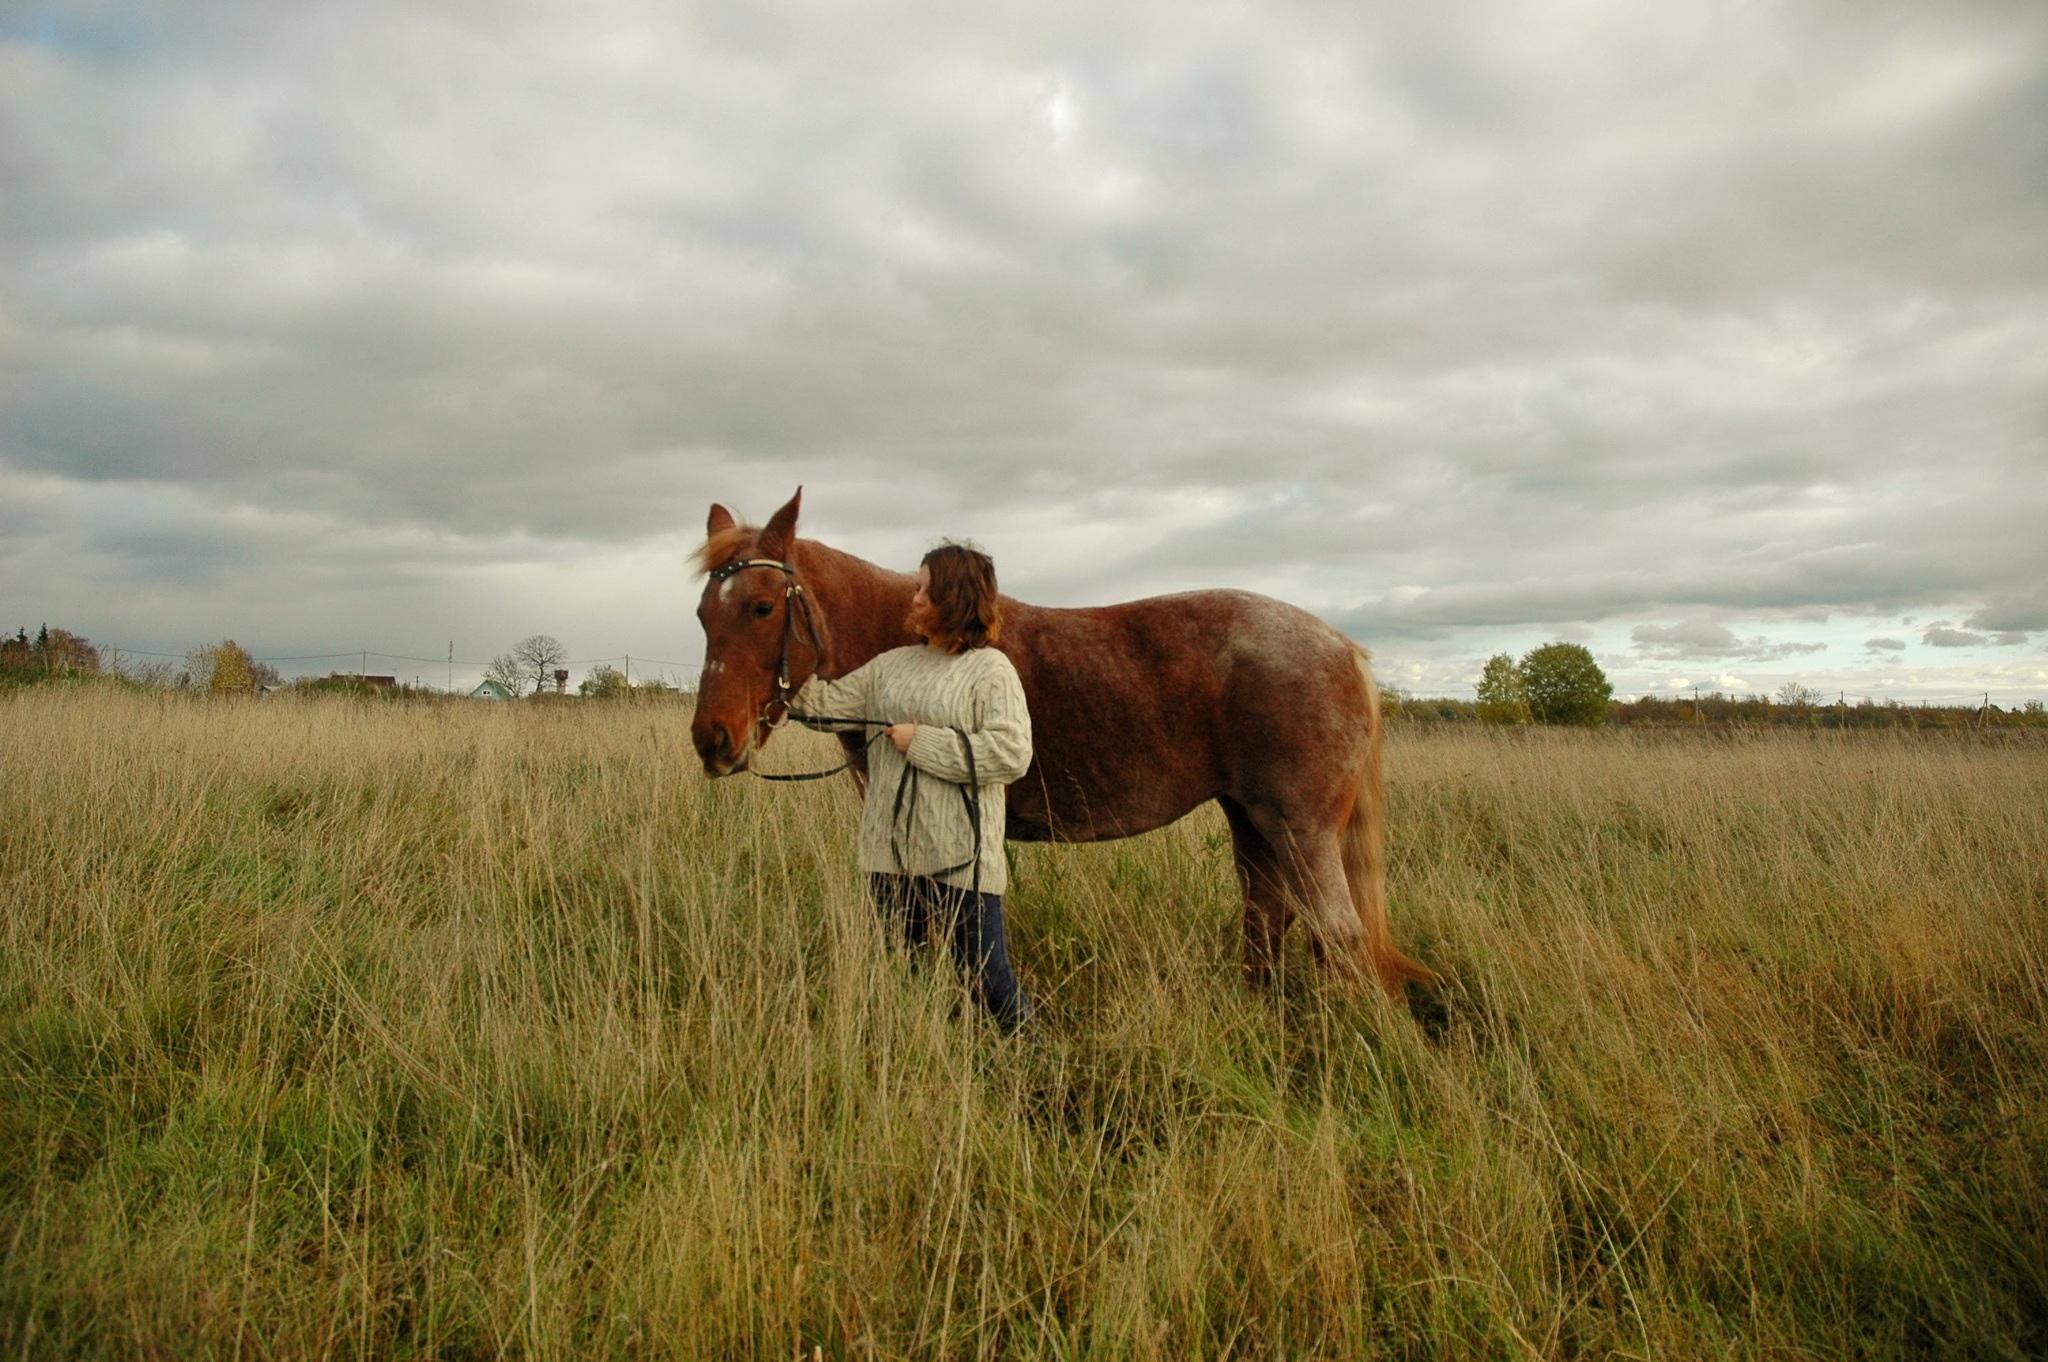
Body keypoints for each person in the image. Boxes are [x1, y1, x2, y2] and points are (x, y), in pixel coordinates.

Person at [791, 542, 1034, 1032]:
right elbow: (828, 706)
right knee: (906, 980)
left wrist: (921, 742)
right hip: (890, 860)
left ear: (956, 597)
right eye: (917, 586)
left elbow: (1012, 754)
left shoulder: (991, 671)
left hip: (962, 863)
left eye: (925, 588)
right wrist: (776, 676)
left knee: (989, 982)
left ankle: (1040, 1071)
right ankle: (931, 1072)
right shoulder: (891, 665)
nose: (914, 597)